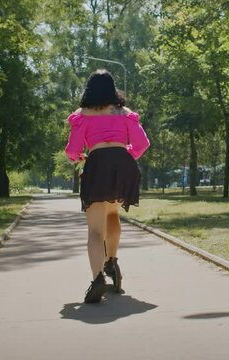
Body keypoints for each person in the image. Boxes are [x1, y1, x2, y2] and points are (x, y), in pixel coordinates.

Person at [65, 69, 150, 303]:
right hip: (122, 165)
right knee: (113, 214)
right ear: (113, 89)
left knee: (94, 229)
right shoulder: (125, 113)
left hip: (97, 164)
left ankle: (98, 279)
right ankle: (112, 261)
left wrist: (80, 157)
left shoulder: (81, 115)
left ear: (89, 89)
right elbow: (142, 143)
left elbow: (72, 150)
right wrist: (127, 154)